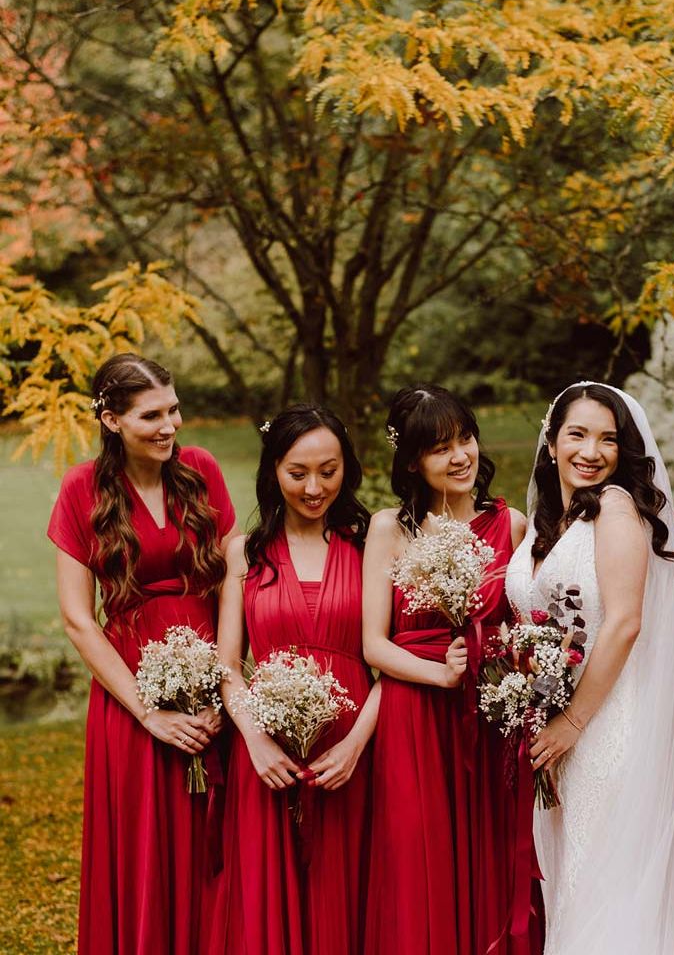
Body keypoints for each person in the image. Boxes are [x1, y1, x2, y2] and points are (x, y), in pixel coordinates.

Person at [505, 381, 674, 954]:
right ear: (551, 441)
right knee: (573, 884)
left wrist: (572, 723)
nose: (591, 451)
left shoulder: (616, 507)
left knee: (607, 885)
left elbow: (626, 621)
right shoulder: (545, 523)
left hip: (606, 726)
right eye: (577, 434)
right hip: (559, 730)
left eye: (608, 440)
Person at [48, 352, 235, 954]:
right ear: (111, 420)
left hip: (212, 683)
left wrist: (227, 686)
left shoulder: (201, 470)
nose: (169, 426)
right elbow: (79, 619)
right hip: (131, 700)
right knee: (143, 848)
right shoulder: (82, 489)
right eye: (151, 415)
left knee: (217, 845)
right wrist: (147, 713)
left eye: (174, 410)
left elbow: (236, 577)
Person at [362, 384, 537, 955]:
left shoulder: (509, 523)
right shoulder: (391, 529)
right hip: (413, 713)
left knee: (488, 845)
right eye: (441, 448)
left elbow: (524, 621)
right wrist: (438, 674)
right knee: (419, 855)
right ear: (413, 461)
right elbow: (373, 644)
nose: (461, 455)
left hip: (488, 714)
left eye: (465, 438)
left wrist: (504, 657)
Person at [212, 404, 379, 953]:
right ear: (273, 471)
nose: (314, 488)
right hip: (268, 756)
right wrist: (255, 742)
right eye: (297, 473)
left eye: (328, 471)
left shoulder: (371, 544)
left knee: (348, 890)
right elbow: (228, 666)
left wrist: (357, 744)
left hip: (352, 752)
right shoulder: (244, 553)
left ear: (346, 468)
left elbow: (391, 664)